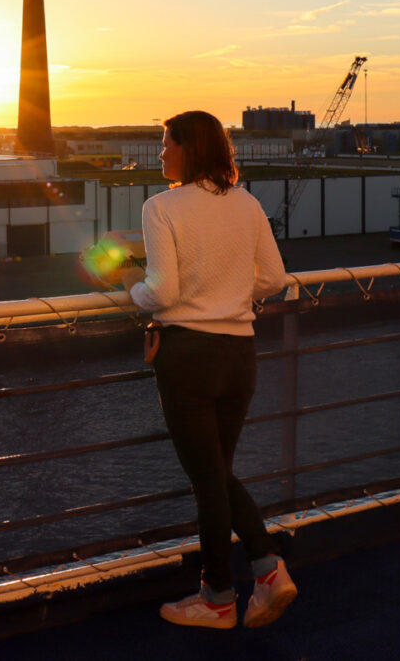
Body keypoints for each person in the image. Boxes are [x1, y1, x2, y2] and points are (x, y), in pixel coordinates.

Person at [121, 110, 296, 630]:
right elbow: (275, 278)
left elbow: (163, 292)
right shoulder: (246, 204)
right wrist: (228, 295)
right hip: (239, 355)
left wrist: (130, 291)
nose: (159, 153)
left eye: (165, 143)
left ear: (188, 150)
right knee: (216, 473)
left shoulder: (162, 207)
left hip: (188, 359)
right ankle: (259, 574)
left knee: (209, 478)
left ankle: (222, 596)